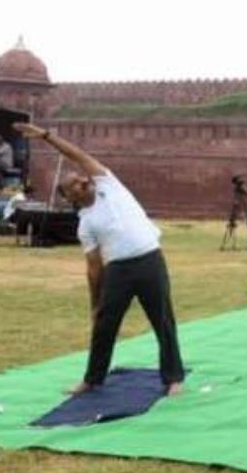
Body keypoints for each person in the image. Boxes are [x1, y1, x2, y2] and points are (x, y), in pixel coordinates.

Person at [12, 122, 185, 396]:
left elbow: (78, 156)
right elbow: (93, 269)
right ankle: (92, 379)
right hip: (118, 270)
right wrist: (96, 304)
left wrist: (46, 136)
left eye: (81, 179)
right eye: (76, 184)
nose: (83, 180)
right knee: (104, 325)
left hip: (150, 260)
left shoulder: (109, 185)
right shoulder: (86, 225)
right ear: (72, 198)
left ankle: (173, 378)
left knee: (163, 320)